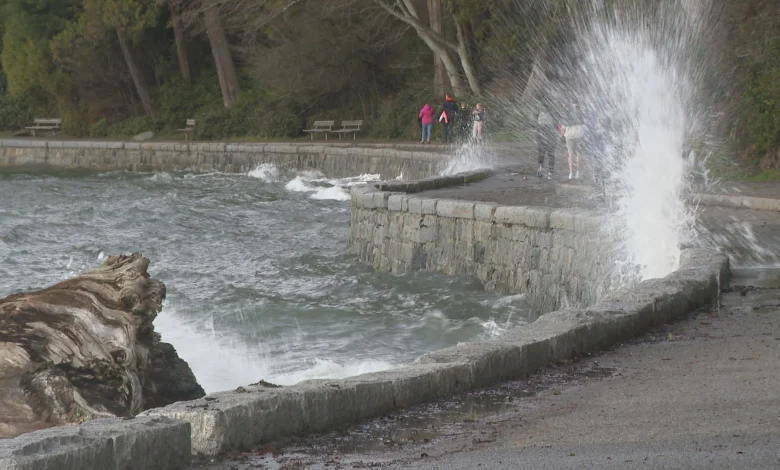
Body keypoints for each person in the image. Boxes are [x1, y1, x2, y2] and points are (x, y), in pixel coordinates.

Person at [561, 100, 585, 180]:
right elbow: (584, 123)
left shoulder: (567, 113)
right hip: (579, 135)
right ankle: (577, 172)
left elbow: (563, 126)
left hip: (570, 136)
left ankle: (571, 173)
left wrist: (561, 134)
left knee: (571, 155)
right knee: (578, 155)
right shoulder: (581, 113)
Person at [535, 98, 557, 179]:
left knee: (541, 154)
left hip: (542, 138)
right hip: (551, 138)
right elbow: (556, 125)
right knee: (551, 155)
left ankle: (540, 169)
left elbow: (537, 128)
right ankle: (550, 173)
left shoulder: (539, 115)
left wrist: (537, 138)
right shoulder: (553, 114)